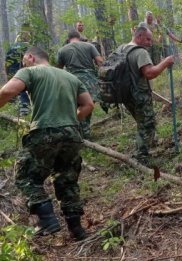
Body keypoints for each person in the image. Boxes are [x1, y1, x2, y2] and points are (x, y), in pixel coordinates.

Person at [0, 47, 94, 240]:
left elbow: (9, 90)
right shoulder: (70, 77)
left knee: (26, 177)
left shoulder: (30, 71)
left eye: (24, 61)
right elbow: (88, 105)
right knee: (67, 180)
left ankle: (48, 220)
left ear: (31, 57)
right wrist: (70, 121)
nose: (24, 64)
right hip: (72, 134)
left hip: (45, 131)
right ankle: (76, 229)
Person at [118, 26, 174, 165]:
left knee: (141, 122)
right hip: (139, 95)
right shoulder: (140, 52)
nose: (150, 42)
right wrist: (165, 62)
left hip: (126, 94)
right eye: (148, 39)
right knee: (147, 124)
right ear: (139, 37)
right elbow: (149, 73)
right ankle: (141, 158)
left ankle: (145, 147)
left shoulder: (122, 49)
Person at [57, 30, 104, 139]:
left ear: (68, 39)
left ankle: (77, 132)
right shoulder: (89, 46)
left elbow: (58, 69)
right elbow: (100, 62)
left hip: (71, 81)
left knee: (76, 106)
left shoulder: (62, 50)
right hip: (90, 80)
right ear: (79, 37)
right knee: (87, 105)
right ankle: (84, 134)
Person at [5, 32, 31, 116]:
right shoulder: (28, 47)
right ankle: (24, 108)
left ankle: (17, 107)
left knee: (15, 88)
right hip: (24, 69)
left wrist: (8, 75)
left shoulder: (11, 48)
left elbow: (7, 63)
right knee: (23, 87)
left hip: (12, 70)